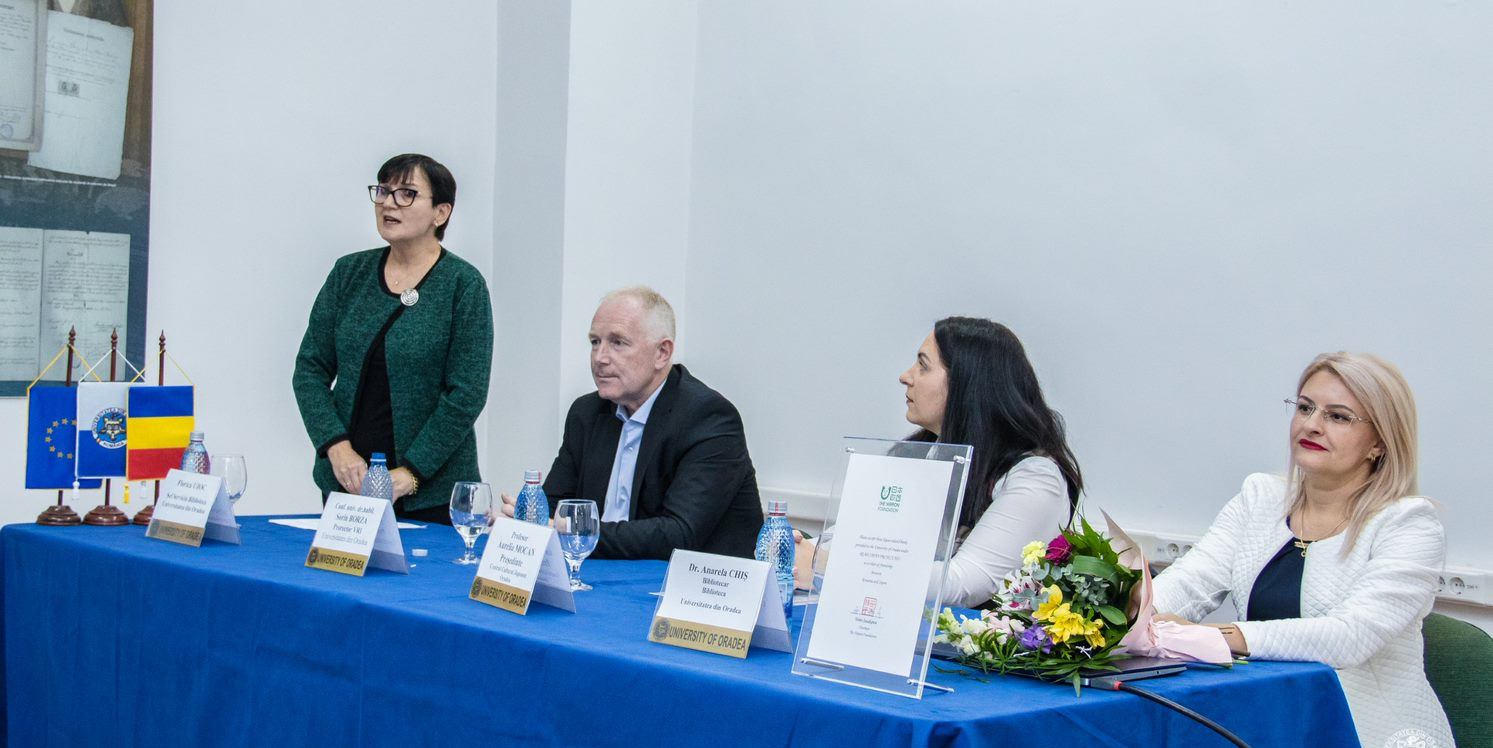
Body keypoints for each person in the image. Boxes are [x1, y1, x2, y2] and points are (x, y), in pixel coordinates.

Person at [1152, 352, 1456, 748]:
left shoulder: (1408, 524)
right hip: (1267, 728)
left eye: (1338, 416)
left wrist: (1219, 637)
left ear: (1380, 441)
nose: (1312, 424)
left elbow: (1349, 638)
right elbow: (1190, 581)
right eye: (1306, 407)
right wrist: (1130, 613)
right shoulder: (1260, 497)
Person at [797, 317, 1083, 605]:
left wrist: (832, 566)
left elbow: (963, 583)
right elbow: (850, 536)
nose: (906, 377)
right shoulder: (918, 454)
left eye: (923, 366)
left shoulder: (1035, 479)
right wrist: (797, 550)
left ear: (967, 383)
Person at [292, 153, 493, 525]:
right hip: (348, 483)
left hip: (433, 494)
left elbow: (467, 394)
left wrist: (411, 473)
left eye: (406, 194)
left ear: (441, 213)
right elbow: (309, 370)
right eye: (383, 191)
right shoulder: (349, 273)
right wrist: (336, 447)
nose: (388, 203)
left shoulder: (463, 285)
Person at [502, 287, 763, 559]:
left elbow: (677, 535)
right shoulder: (587, 413)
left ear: (662, 353)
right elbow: (555, 505)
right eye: (595, 342)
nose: (600, 358)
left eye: (618, 343)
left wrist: (570, 531)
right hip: (602, 572)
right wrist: (526, 521)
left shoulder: (708, 417)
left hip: (691, 581)